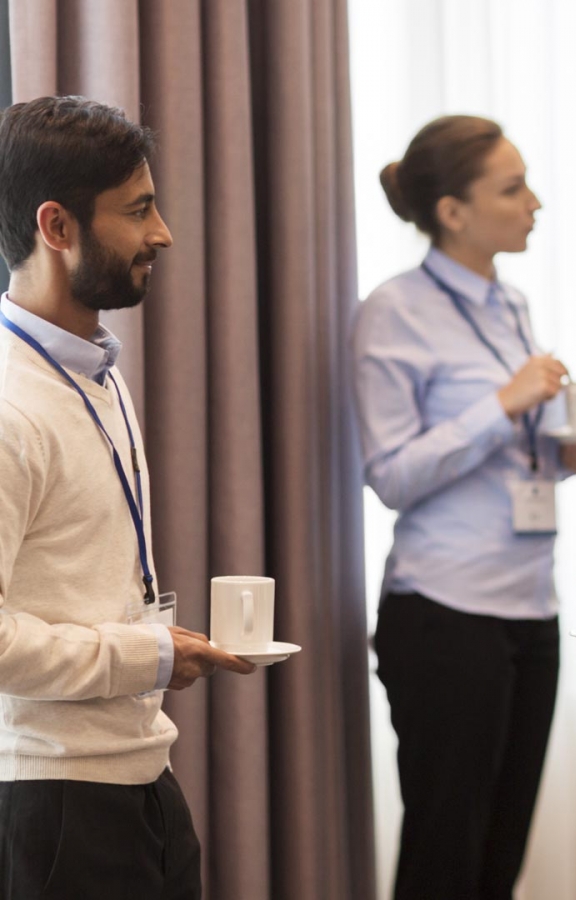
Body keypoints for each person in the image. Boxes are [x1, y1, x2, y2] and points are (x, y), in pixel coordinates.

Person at [0, 95, 256, 898]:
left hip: (140, 774)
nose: (163, 233)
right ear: (57, 227)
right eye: (139, 210)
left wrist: (151, 648)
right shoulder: (9, 405)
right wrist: (147, 654)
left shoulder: (93, 373)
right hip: (54, 798)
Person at [352, 115, 576, 900]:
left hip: (529, 605)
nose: (534, 202)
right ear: (453, 211)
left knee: (500, 858)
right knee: (445, 857)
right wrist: (501, 405)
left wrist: (562, 453)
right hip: (443, 613)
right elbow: (391, 475)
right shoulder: (392, 311)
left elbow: (500, 458)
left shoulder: (511, 304)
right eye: (512, 187)